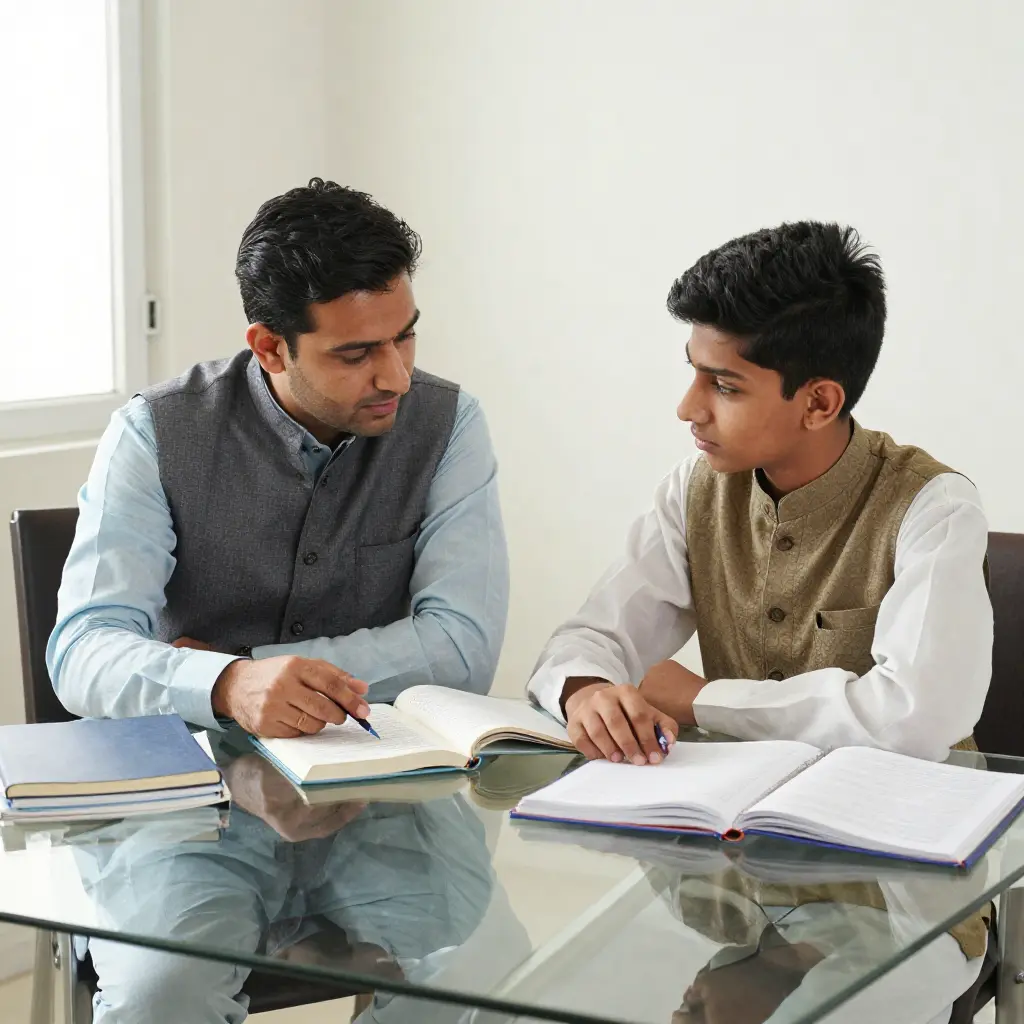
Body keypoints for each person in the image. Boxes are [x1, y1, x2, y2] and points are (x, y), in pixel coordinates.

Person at [48, 178, 509, 736]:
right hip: (197, 783)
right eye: (356, 353)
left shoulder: (451, 423)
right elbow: (82, 653)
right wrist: (227, 688)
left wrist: (240, 664)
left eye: (404, 337)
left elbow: (463, 650)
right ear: (269, 347)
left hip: (378, 779)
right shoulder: (153, 432)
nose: (397, 377)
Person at [528, 221, 992, 766]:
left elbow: (916, 718)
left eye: (724, 386)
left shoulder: (933, 508)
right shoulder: (694, 490)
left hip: (912, 824)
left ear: (818, 403)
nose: (687, 408)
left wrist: (702, 700)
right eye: (694, 373)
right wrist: (588, 694)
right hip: (738, 823)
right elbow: (589, 639)